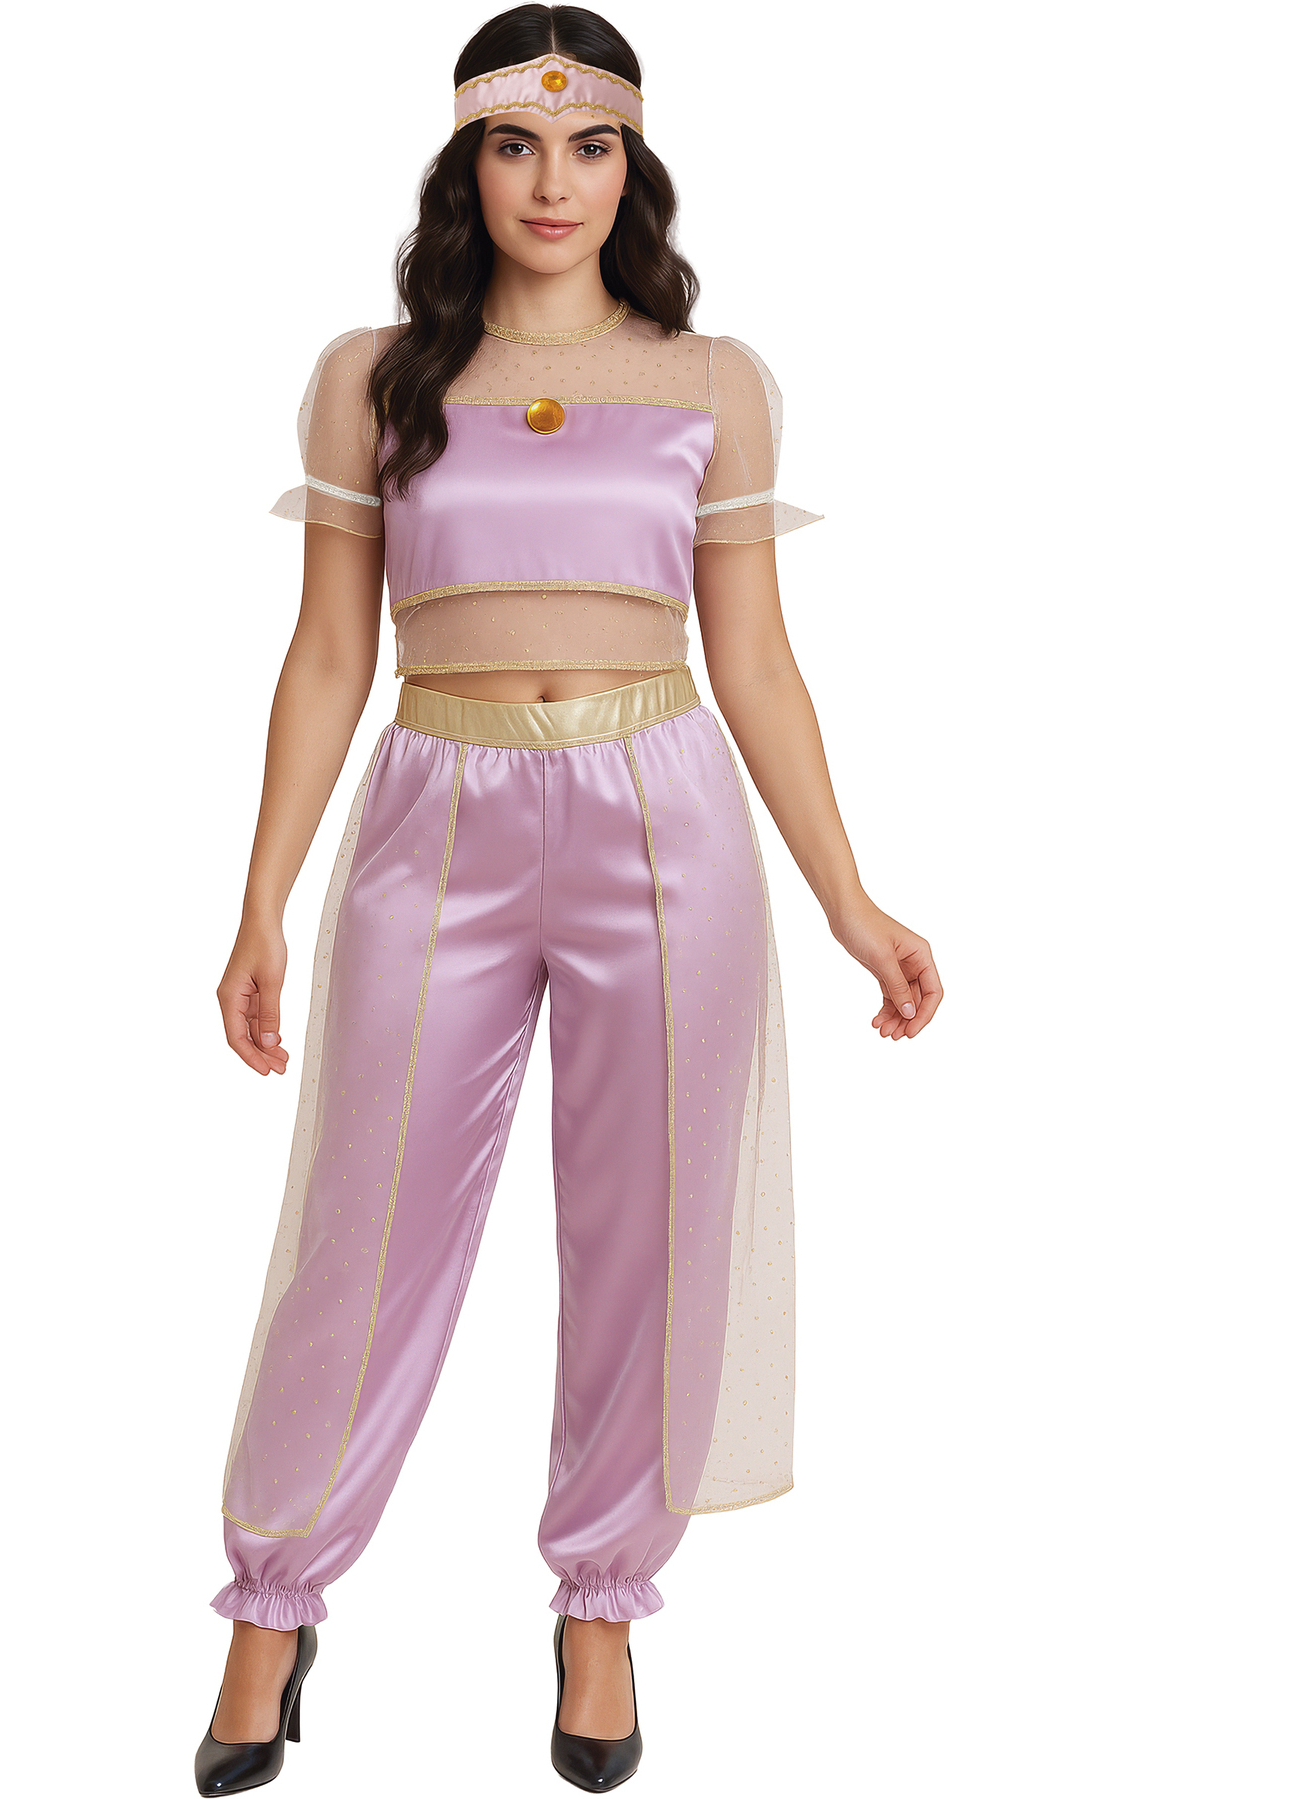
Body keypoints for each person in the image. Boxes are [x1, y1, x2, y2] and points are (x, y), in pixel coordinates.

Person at [193, 6, 944, 1791]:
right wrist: (261, 900)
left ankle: (601, 1605)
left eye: (590, 145)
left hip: (662, 820)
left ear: (633, 165)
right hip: (433, 814)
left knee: (648, 1229)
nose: (554, 182)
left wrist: (850, 897)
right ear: (467, 162)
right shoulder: (375, 376)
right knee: (362, 1227)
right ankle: (272, 1603)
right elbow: (326, 658)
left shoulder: (714, 382)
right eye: (517, 146)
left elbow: (757, 664)